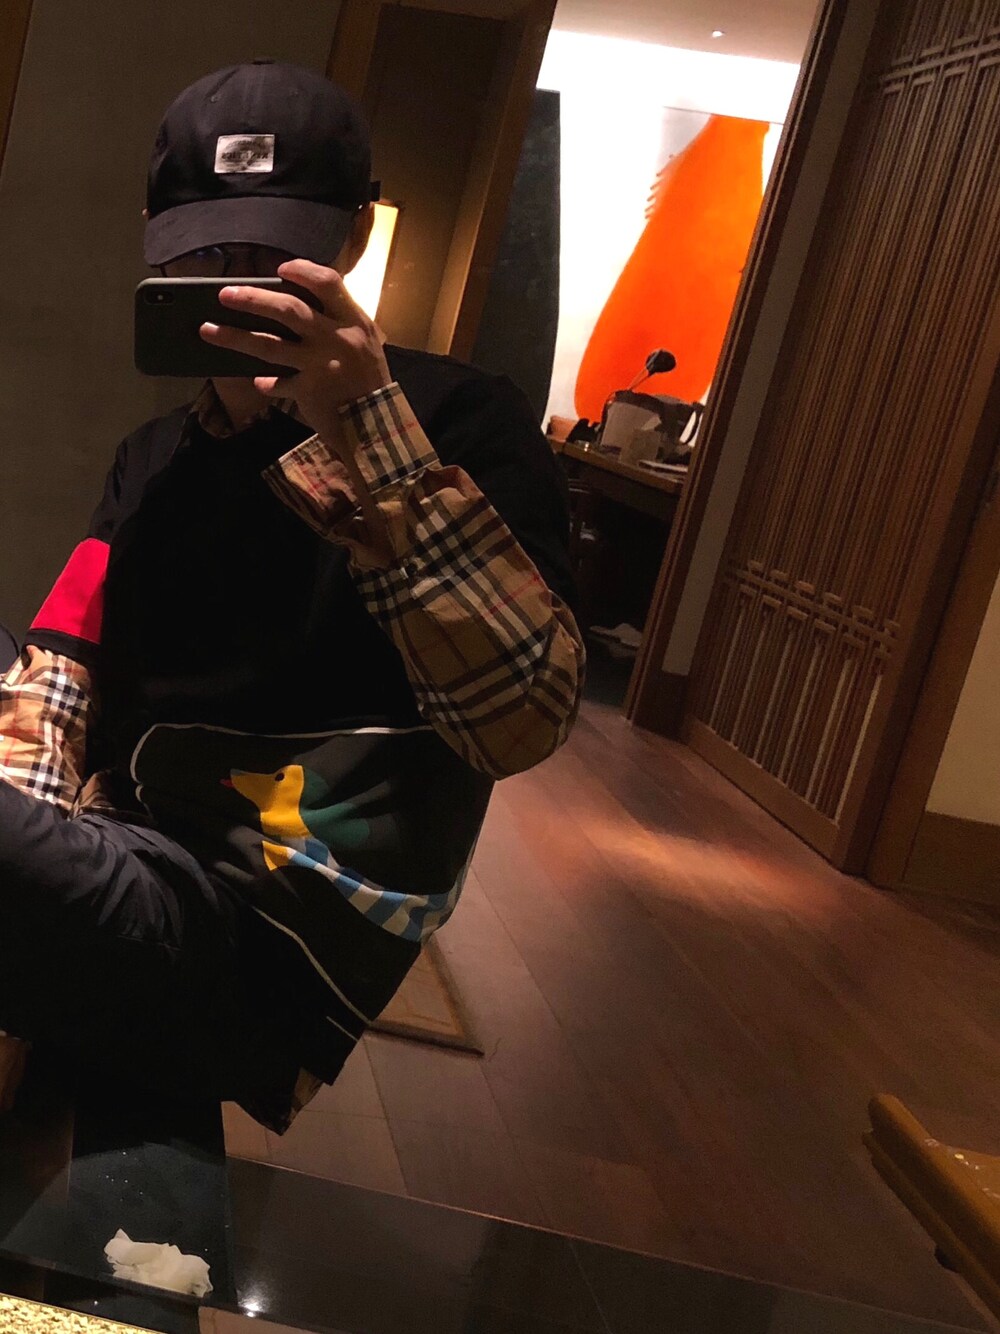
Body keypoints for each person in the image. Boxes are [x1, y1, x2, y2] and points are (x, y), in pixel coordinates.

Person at [0, 61, 584, 1131]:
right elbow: (60, 673)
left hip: (259, 944)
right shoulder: (153, 461)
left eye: (278, 257)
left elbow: (518, 722)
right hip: (116, 855)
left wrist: (368, 433)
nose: (241, 283)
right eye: (208, 254)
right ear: (156, 244)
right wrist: (33, 874)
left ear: (354, 237)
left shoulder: (463, 426)